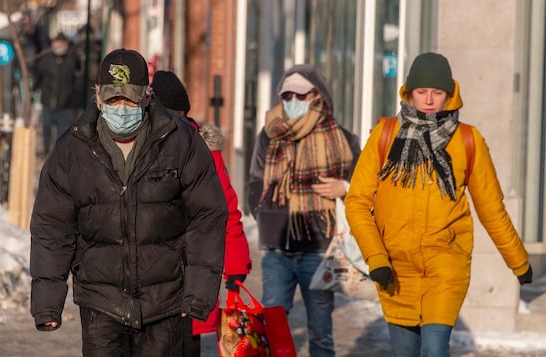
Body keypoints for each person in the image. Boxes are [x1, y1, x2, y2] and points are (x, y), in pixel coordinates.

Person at [29, 49, 228, 356]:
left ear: (147, 97)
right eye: (112, 99)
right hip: (100, 300)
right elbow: (53, 226)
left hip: (165, 302)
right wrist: (47, 301)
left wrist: (199, 293)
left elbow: (207, 216)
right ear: (98, 97)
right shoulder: (73, 149)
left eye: (129, 99)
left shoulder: (180, 141)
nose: (121, 108)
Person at [344, 52, 533, 357]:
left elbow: (491, 207)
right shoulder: (385, 135)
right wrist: (376, 257)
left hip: (445, 263)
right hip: (395, 267)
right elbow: (356, 201)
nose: (429, 100)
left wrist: (518, 260)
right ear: (409, 93)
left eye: (437, 93)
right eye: (422, 92)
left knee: (434, 349)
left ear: (450, 93)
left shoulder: (468, 140)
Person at [247, 64, 361, 356]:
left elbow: (364, 187)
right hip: (277, 251)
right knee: (272, 329)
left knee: (321, 334)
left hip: (319, 251)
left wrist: (343, 188)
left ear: (317, 95)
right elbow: (256, 181)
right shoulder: (270, 134)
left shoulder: (343, 140)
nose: (292, 102)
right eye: (286, 96)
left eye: (300, 95)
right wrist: (265, 215)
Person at [151, 70, 253, 356]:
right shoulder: (137, 148)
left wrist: (234, 264)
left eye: (178, 114)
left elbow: (225, 210)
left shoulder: (205, 152)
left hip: (190, 277)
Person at [32, 32, 81, 156]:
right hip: (48, 100)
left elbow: (77, 78)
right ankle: (46, 150)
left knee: (63, 130)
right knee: (46, 127)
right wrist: (35, 89)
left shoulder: (71, 59)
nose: (58, 46)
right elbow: (39, 76)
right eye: (56, 43)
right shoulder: (46, 59)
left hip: (66, 102)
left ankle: (60, 153)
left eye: (61, 43)